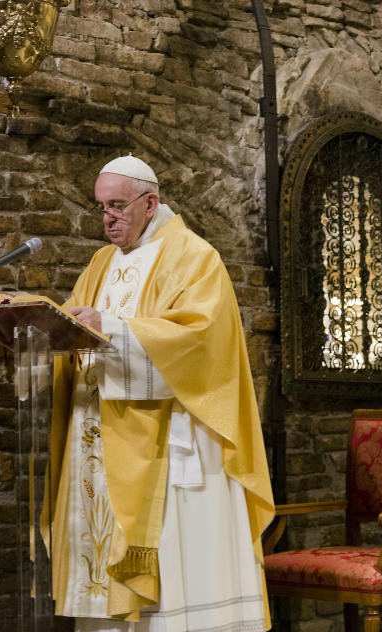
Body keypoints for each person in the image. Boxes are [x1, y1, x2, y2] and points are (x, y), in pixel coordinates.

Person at [40, 155, 275, 632]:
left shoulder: (193, 255)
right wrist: (42, 339)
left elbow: (201, 340)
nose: (108, 218)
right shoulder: (99, 264)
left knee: (174, 581)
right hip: (99, 437)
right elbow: (71, 326)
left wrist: (111, 328)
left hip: (172, 442)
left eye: (118, 206)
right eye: (101, 207)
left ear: (151, 202)